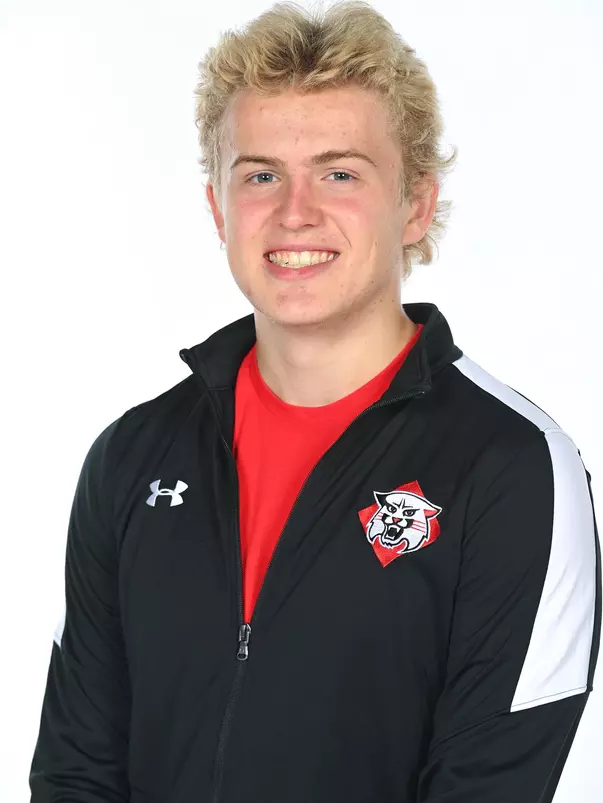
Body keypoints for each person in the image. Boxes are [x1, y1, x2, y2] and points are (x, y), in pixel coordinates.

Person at [29, 2, 600, 801]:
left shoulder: (511, 469)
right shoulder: (132, 456)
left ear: (415, 204)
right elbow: (75, 769)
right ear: (218, 207)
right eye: (260, 174)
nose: (294, 212)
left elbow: (489, 783)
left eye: (339, 172)